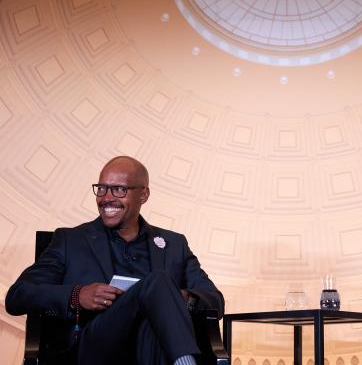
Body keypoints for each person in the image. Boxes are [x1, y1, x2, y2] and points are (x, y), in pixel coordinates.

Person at [5, 156, 224, 365]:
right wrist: (77, 295)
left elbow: (215, 301)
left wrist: (179, 299)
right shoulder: (70, 240)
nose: (107, 197)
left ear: (143, 195)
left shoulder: (174, 244)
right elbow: (17, 296)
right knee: (157, 280)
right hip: (95, 346)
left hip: (153, 345)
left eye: (119, 189)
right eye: (101, 188)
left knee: (156, 297)